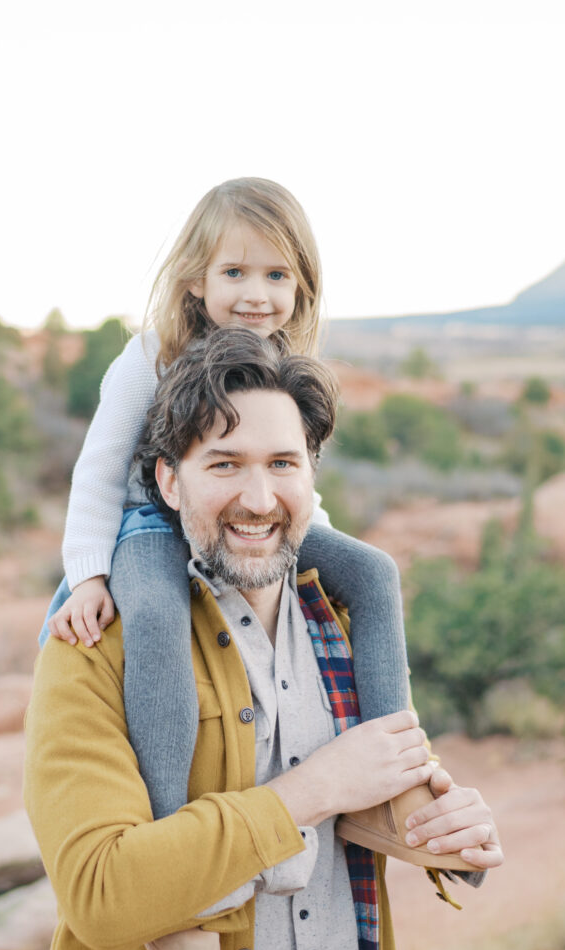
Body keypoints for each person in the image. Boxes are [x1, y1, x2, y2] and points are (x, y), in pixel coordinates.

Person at [24, 328, 503, 950]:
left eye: (282, 463)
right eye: (224, 465)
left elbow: (382, 794)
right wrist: (312, 789)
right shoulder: (97, 645)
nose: (258, 498)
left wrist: (455, 834)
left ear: (311, 475)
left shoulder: (346, 628)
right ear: (169, 480)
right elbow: (100, 894)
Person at [41, 177, 408, 833]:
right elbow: (98, 468)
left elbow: (288, 474)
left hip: (249, 518)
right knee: (156, 615)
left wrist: (307, 535)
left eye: (276, 275)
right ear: (195, 279)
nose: (256, 294)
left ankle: (393, 780)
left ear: (301, 286)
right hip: (152, 522)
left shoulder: (280, 362)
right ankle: (167, 820)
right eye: (235, 272)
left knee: (374, 572)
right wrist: (88, 574)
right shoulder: (150, 356)